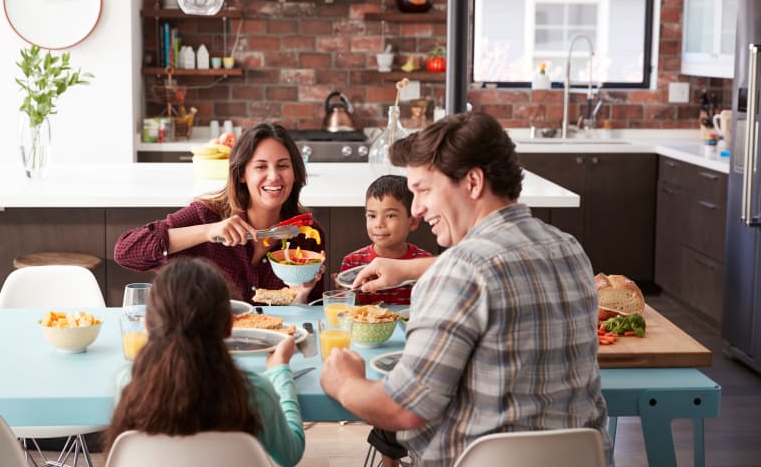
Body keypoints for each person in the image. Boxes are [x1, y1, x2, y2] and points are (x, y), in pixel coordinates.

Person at [320, 112, 613, 467]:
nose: (417, 208)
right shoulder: (569, 248)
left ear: (473, 183)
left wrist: (344, 382)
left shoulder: (459, 269)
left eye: (423, 190)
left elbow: (402, 410)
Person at [103, 257, 305, 467]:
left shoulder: (129, 382)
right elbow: (290, 455)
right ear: (229, 326)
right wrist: (280, 369)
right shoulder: (255, 391)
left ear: (147, 325)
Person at [114, 122, 325, 304]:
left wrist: (301, 297)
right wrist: (208, 232)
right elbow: (126, 252)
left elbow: (313, 316)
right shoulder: (207, 216)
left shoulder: (308, 235)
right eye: (260, 167)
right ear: (242, 173)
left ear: (295, 172)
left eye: (283, 166)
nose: (274, 176)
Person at [339, 174, 433, 306]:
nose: (379, 224)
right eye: (372, 215)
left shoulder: (424, 263)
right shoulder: (352, 262)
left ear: (412, 222)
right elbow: (351, 310)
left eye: (390, 216)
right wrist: (346, 295)